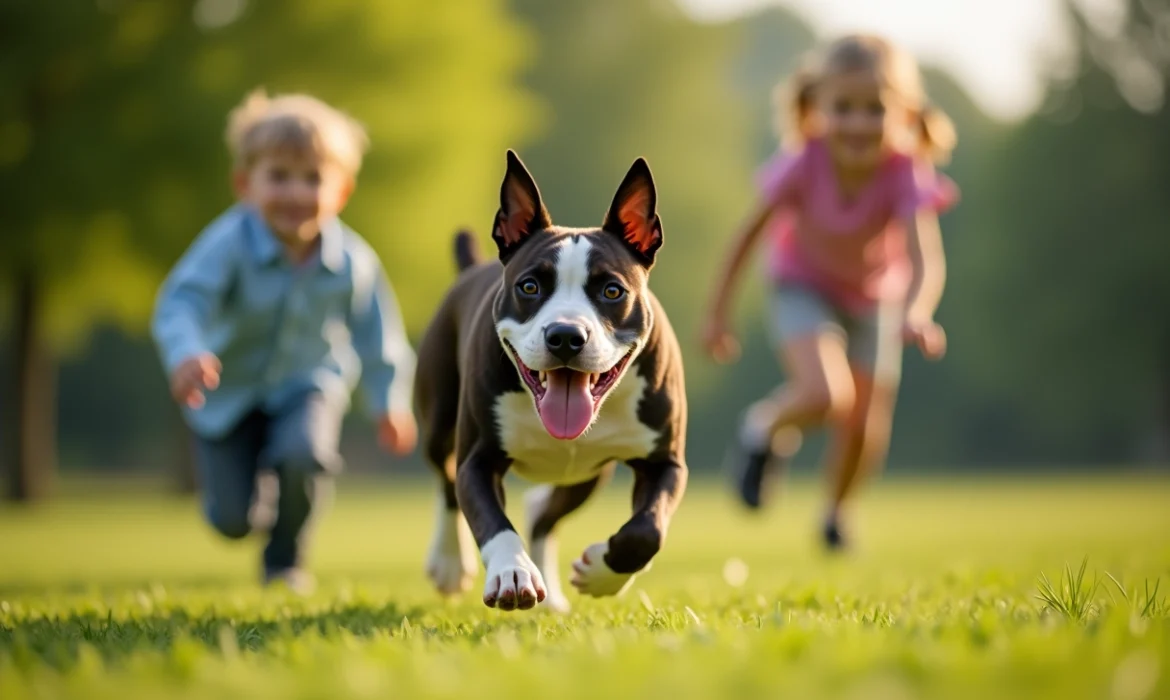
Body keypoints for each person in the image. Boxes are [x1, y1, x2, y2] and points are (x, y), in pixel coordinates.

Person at [151, 89, 418, 591]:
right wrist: (185, 352)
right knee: (231, 521)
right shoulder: (227, 244)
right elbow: (181, 302)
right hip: (226, 393)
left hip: (308, 384)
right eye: (279, 177)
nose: (296, 193)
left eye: (312, 179)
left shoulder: (353, 262)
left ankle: (285, 561)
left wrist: (390, 403)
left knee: (305, 453)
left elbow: (379, 335)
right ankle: (247, 511)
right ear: (244, 185)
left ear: (340, 193)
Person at [702, 34, 960, 550]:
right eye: (843, 108)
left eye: (874, 109)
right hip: (803, 284)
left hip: (875, 298)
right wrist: (718, 313)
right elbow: (746, 236)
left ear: (904, 113)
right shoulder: (804, 160)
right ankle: (763, 427)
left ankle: (836, 513)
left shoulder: (905, 169)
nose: (859, 123)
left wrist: (918, 312)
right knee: (826, 395)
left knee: (865, 425)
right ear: (816, 108)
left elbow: (923, 256)